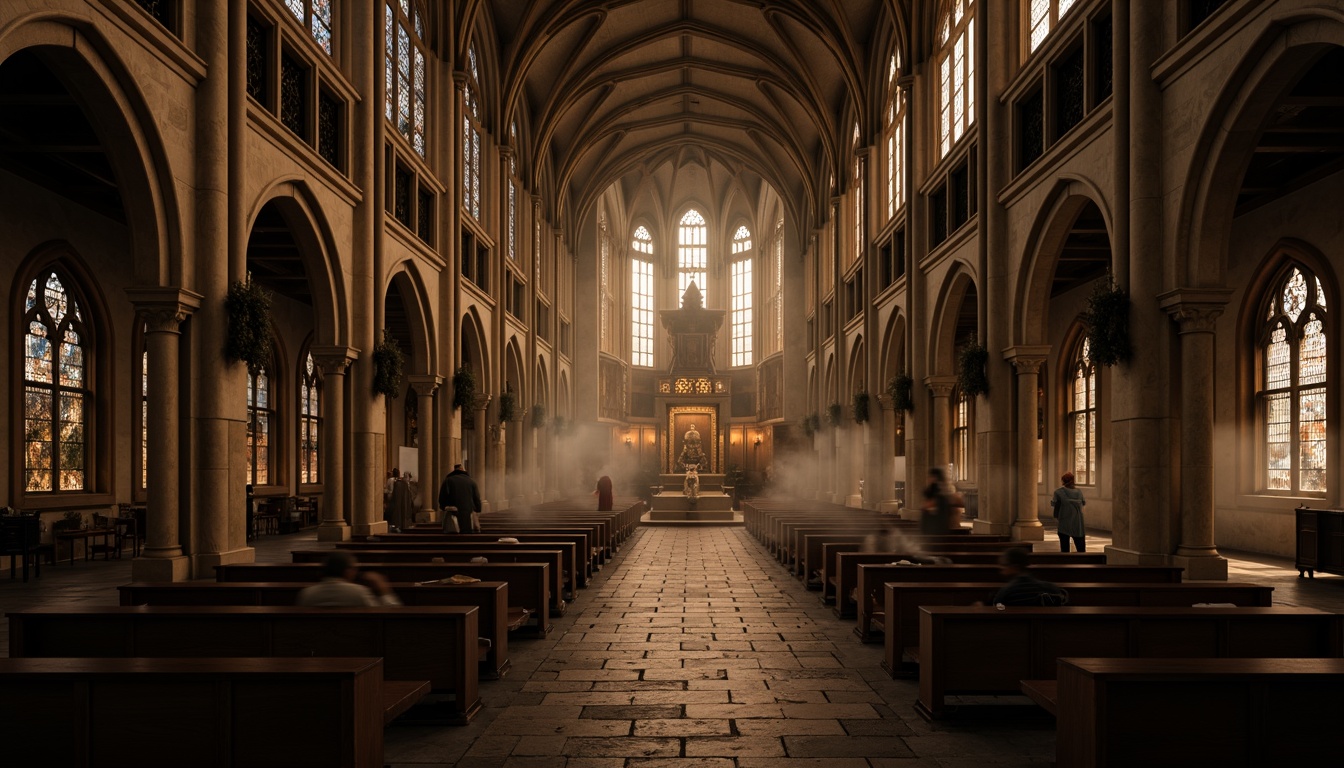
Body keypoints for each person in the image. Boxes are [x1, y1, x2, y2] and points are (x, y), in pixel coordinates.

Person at [297, 551, 401, 606]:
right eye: (354, 568)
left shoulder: (307, 594)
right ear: (347, 571)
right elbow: (390, 615)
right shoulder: (359, 593)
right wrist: (384, 591)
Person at [991, 547, 1068, 607]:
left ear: (1015, 567)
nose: (1001, 569)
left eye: (1004, 565)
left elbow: (998, 609)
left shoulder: (1006, 592)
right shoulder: (1050, 588)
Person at [438, 463, 482, 533]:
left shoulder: (448, 481)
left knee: (453, 534)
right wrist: (478, 509)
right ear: (463, 470)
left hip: (453, 513)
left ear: (454, 470)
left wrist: (443, 507)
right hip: (468, 514)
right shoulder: (471, 481)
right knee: (468, 533)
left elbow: (442, 497)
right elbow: (477, 498)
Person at [919, 467, 963, 535]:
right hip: (939, 529)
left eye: (930, 477)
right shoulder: (939, 491)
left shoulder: (939, 493)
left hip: (938, 529)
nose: (929, 479)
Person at [1051, 471, 1086, 552]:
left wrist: (1056, 516)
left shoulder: (1058, 492)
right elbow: (1083, 503)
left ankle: (1065, 562)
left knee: (1064, 548)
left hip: (1064, 520)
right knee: (1080, 548)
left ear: (1063, 481)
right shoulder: (1079, 492)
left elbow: (1054, 504)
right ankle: (1083, 562)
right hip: (1078, 522)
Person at [387, 468, 415, 532]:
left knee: (397, 511)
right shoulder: (399, 482)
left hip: (394, 497)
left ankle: (397, 525)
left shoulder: (395, 481)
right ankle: (397, 524)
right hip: (397, 497)